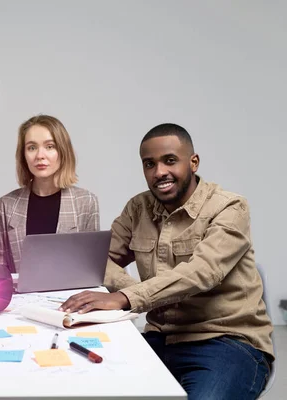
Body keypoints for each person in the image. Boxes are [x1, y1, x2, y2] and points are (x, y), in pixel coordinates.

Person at [60, 123, 273, 400]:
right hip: (159, 339)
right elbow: (97, 260)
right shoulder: (138, 208)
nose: (159, 172)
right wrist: (126, 288)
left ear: (193, 162)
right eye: (149, 164)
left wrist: (126, 297)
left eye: (170, 160)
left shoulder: (230, 207)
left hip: (227, 343)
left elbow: (202, 272)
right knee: (85, 386)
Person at [0, 115, 100, 273]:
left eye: (49, 146)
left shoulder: (86, 201)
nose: (40, 156)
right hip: (19, 296)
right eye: (32, 148)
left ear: (63, 151)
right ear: (23, 155)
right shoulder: (6, 204)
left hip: (70, 296)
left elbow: (90, 267)